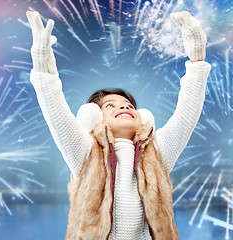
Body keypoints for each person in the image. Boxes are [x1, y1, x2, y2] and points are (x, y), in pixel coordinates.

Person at [26, 10, 211, 240]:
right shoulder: (86, 153)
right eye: (110, 106)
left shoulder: (156, 153)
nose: (124, 108)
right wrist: (44, 71)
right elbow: (56, 114)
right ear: (94, 117)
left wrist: (197, 62)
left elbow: (187, 114)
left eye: (128, 105)